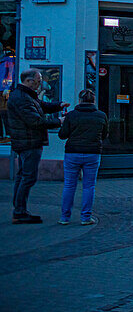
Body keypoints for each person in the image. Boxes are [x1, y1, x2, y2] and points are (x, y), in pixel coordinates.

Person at [7, 68, 68, 224]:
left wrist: (59, 105)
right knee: (28, 177)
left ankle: (19, 210)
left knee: (23, 176)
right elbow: (35, 122)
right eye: (38, 81)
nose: (40, 85)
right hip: (29, 143)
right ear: (28, 81)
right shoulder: (22, 98)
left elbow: (42, 105)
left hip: (26, 142)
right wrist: (59, 121)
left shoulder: (25, 96)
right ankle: (20, 212)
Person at [57, 89, 108, 226]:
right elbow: (104, 135)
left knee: (69, 185)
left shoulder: (72, 115)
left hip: (73, 152)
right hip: (93, 152)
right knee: (89, 186)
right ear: (94, 100)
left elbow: (62, 135)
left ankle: (64, 217)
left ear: (79, 100)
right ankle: (85, 217)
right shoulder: (101, 115)